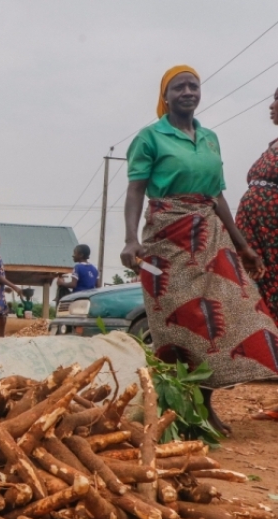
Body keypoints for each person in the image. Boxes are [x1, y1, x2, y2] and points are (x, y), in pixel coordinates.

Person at [120, 65, 278, 436]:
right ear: (166, 96)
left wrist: (243, 247)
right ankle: (180, 409)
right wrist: (130, 239)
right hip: (166, 237)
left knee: (226, 319)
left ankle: (205, 406)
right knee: (179, 325)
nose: (188, 92)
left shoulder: (209, 138)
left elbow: (217, 195)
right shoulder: (150, 138)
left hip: (209, 236)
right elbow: (135, 190)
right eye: (179, 87)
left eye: (194, 85)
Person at [236, 86, 278, 320]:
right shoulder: (273, 143)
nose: (271, 106)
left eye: (277, 100)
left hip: (273, 236)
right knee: (251, 285)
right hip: (253, 233)